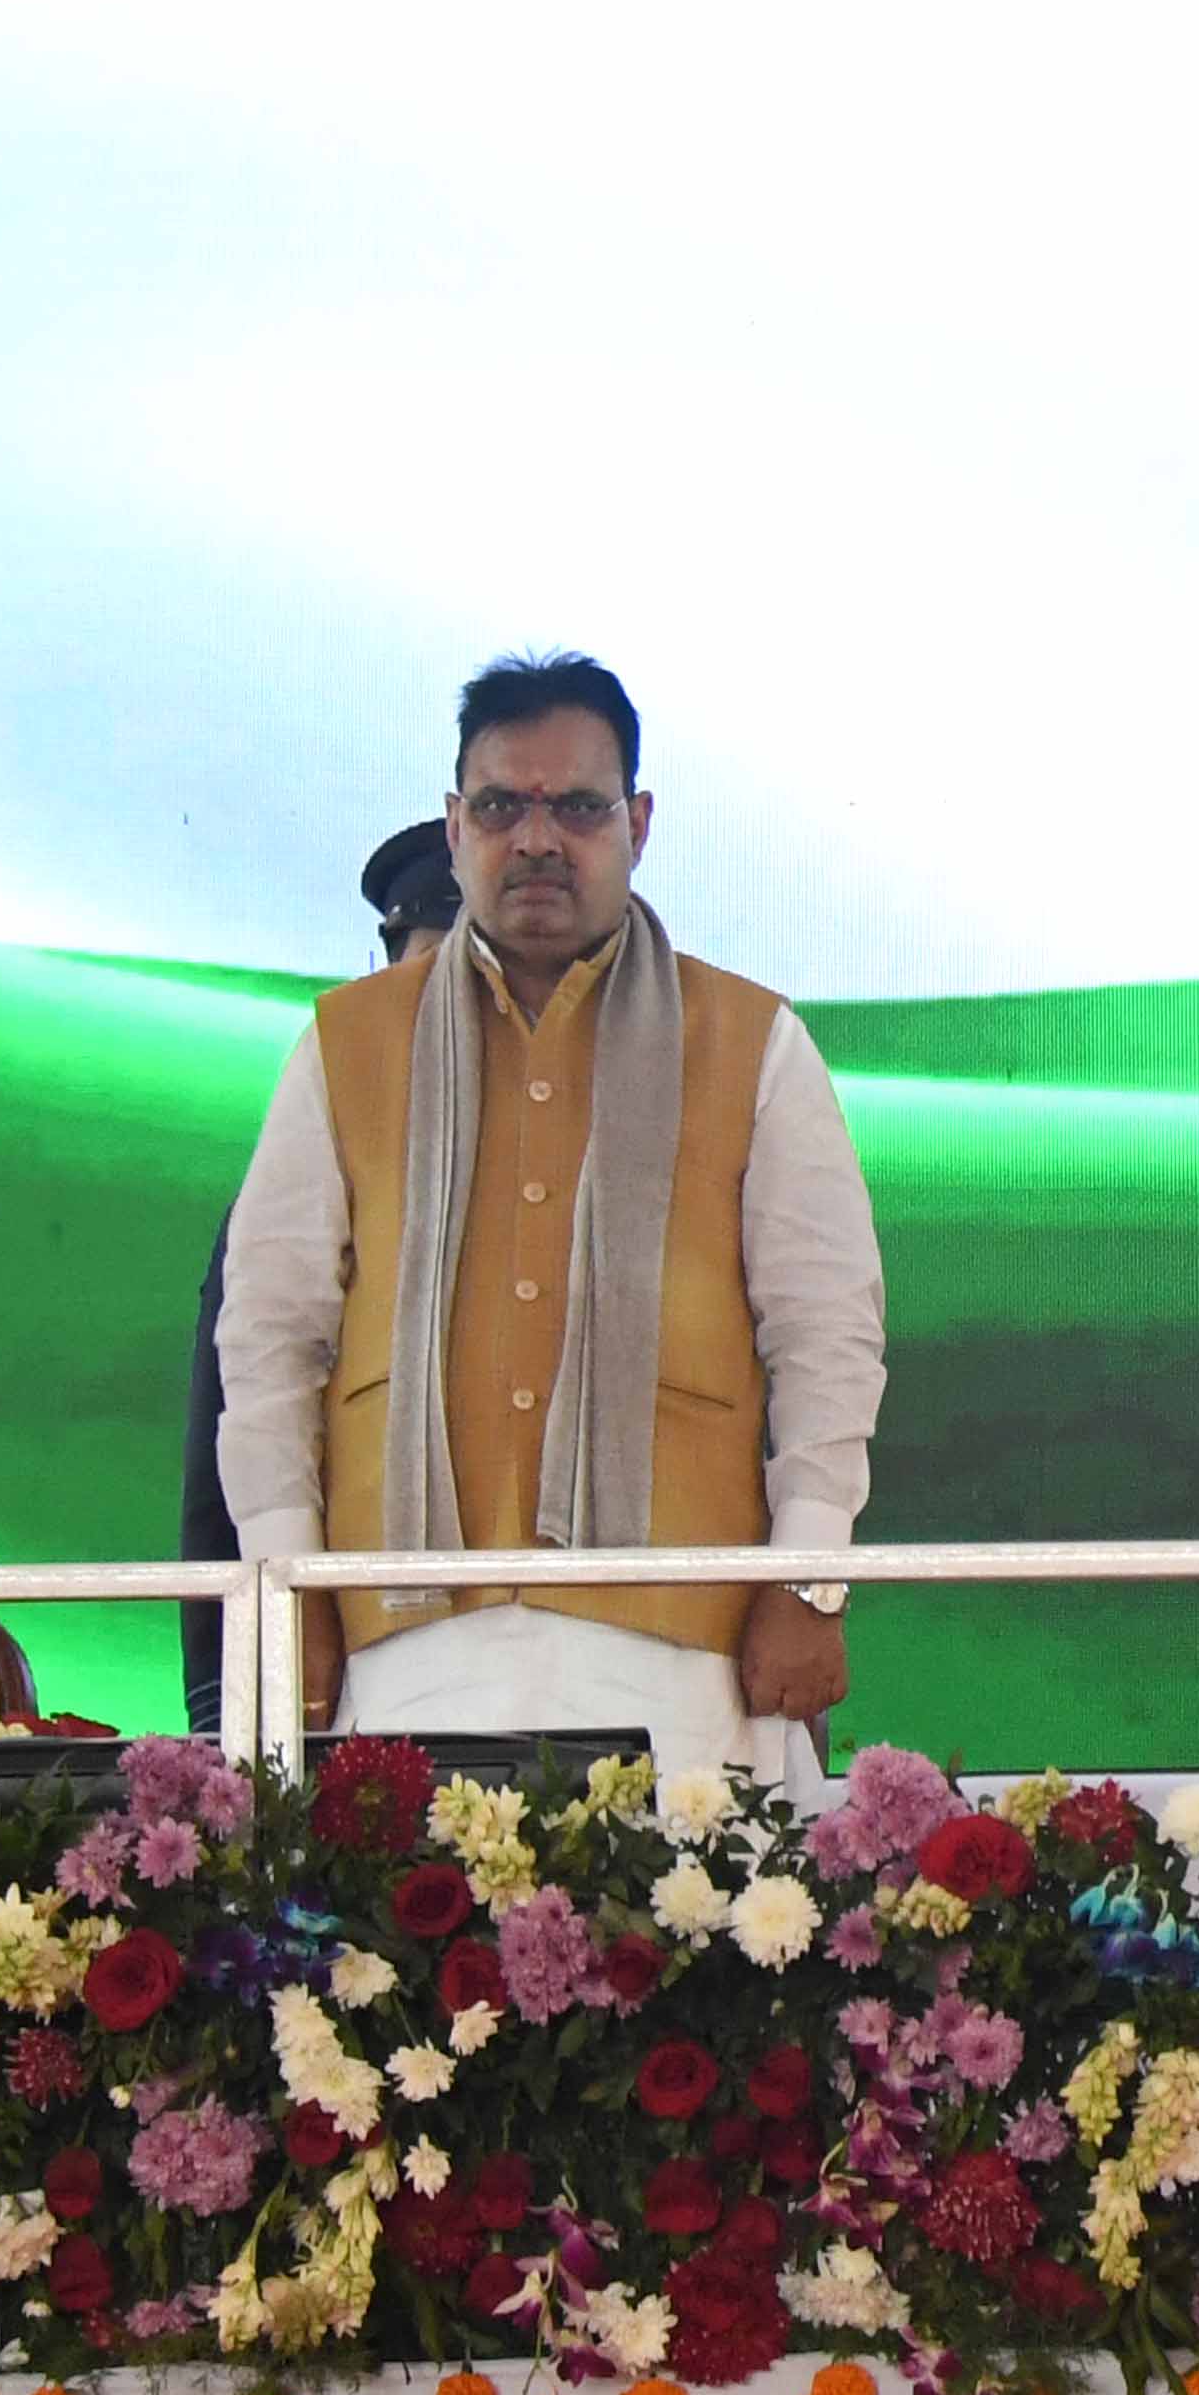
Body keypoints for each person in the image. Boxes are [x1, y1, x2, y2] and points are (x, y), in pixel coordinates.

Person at [211, 655, 887, 1780]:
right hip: (409, 1639)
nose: (536, 839)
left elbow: (828, 1336)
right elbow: (271, 1337)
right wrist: (291, 1592)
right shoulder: (345, 1044)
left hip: (678, 1646)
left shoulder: (754, 1040)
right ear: (454, 821)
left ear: (639, 820)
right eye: (500, 806)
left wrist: (808, 1581)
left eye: (576, 806)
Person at [178, 820, 464, 1731]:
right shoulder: (307, 1182)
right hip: (362, 1658)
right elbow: (227, 1456)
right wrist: (228, 1692)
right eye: (426, 974)